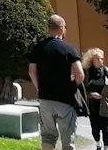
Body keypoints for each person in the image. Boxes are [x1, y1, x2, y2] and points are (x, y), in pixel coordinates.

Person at [28, 14, 85, 150]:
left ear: (49, 28)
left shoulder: (38, 48)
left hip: (45, 98)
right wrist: (74, 84)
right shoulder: (68, 49)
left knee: (48, 136)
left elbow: (31, 71)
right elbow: (80, 74)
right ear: (62, 28)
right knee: (67, 139)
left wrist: (39, 87)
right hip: (65, 99)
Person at [83, 48, 108, 150]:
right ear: (92, 59)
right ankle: (98, 143)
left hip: (104, 104)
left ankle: (106, 147)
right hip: (92, 105)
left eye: (102, 59)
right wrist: (90, 94)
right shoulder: (86, 73)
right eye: (98, 59)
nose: (101, 61)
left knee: (105, 128)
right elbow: (82, 88)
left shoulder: (107, 71)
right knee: (95, 128)